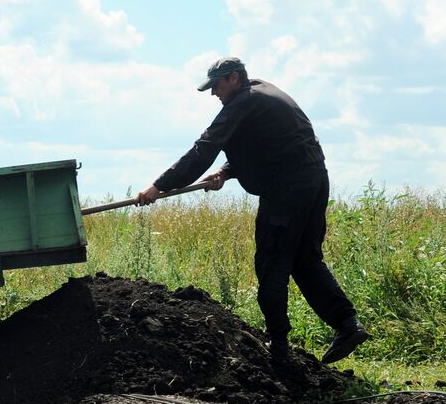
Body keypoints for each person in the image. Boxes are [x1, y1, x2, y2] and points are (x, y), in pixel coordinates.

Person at [136, 57, 369, 365]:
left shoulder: (242, 103)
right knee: (305, 260)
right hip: (314, 180)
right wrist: (227, 171)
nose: (213, 93)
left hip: (287, 188)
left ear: (234, 78)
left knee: (272, 262)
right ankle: (347, 325)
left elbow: (202, 150)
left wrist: (158, 187)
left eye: (217, 85)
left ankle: (278, 344)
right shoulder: (264, 93)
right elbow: (270, 144)